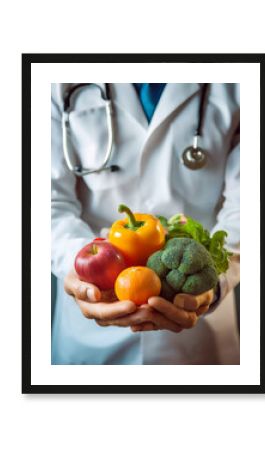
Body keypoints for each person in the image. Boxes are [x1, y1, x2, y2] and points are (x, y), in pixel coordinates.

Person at [51, 83, 240, 365]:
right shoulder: (56, 79)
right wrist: (79, 266)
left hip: (197, 324)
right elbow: (47, 202)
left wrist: (215, 283)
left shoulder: (242, 80)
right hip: (89, 340)